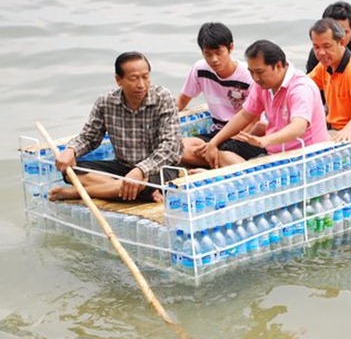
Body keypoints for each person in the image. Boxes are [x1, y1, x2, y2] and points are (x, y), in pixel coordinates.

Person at [49, 51, 183, 203]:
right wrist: (70, 150)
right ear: (118, 80)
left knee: (141, 183)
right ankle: (130, 190)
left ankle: (77, 192)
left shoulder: (163, 98)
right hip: (123, 167)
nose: (141, 84)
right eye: (134, 78)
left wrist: (140, 170)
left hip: (158, 169)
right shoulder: (106, 102)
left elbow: (171, 147)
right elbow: (89, 137)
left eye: (145, 77)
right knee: (71, 171)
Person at [202, 39, 330, 169]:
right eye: (251, 72)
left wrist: (265, 140)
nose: (255, 78)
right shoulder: (262, 85)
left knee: (227, 159)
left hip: (305, 157)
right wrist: (214, 141)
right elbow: (245, 115)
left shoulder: (300, 88)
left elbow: (299, 127)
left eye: (259, 72)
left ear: (278, 66)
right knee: (221, 153)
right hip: (273, 151)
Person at [177, 22, 262, 169]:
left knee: (222, 150)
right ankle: (220, 162)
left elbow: (254, 118)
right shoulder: (200, 69)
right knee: (177, 148)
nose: (214, 59)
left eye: (218, 52)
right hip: (217, 130)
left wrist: (232, 139)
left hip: (243, 134)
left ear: (231, 48)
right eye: (208, 54)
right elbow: (183, 100)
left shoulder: (248, 75)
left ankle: (215, 162)